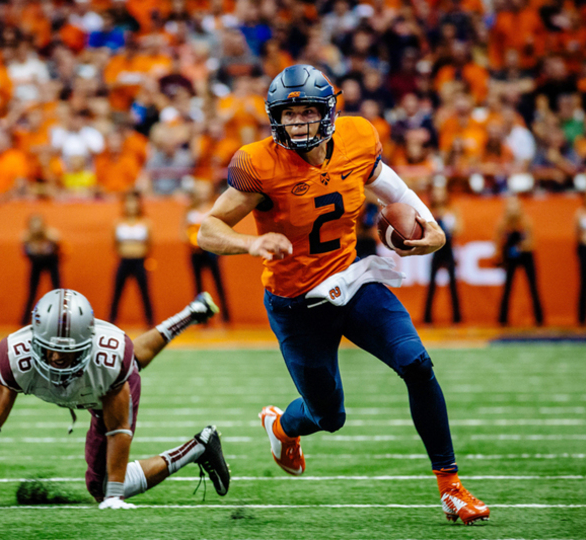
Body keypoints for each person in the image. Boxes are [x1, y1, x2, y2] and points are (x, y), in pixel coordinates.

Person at [197, 65, 489, 525]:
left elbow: (395, 190)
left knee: (417, 363)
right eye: (288, 115)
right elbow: (207, 229)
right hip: (297, 305)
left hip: (352, 281)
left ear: (328, 113)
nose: (297, 123)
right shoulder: (260, 162)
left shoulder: (356, 139)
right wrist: (250, 243)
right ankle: (281, 425)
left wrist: (431, 227)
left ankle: (450, 487)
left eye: (306, 113)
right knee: (328, 415)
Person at [0, 288, 229, 511]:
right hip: (100, 372)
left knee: (98, 487)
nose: (58, 359)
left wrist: (113, 495)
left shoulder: (109, 358)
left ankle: (198, 447)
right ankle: (192, 312)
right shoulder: (15, 356)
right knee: (136, 356)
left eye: (69, 352)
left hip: (105, 392)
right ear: (36, 340)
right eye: (51, 349)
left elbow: (119, 429)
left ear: (87, 344)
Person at [181, 180, 230, 322]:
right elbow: (183, 230)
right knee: (198, 286)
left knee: (218, 284)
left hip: (211, 251)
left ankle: (225, 317)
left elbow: (220, 229)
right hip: (196, 252)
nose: (202, 194)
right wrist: (193, 241)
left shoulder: (214, 208)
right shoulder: (190, 211)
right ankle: (202, 318)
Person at [496, 195, 544, 326]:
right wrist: (501, 256)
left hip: (526, 256)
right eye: (510, 206)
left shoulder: (526, 221)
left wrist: (519, 247)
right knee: (507, 289)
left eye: (515, 205)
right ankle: (502, 319)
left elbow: (532, 242)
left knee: (533, 287)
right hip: (510, 258)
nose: (512, 209)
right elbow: (498, 242)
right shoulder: (502, 223)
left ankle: (539, 319)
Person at [109, 191, 154, 326]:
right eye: (128, 202)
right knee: (117, 293)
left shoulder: (146, 222)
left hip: (140, 261)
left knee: (145, 293)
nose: (131, 206)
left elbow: (150, 244)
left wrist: (139, 253)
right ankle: (111, 321)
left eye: (134, 202)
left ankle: (150, 322)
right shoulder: (118, 223)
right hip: (124, 261)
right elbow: (114, 244)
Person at [423, 184, 462, 324]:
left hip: (448, 248)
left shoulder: (452, 210)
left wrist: (445, 220)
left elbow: (459, 228)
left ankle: (457, 318)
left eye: (441, 192)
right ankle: (427, 318)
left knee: (453, 284)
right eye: (436, 192)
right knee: (432, 285)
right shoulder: (429, 211)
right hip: (435, 250)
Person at [21, 214, 62, 326]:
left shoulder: (51, 234)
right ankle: (24, 321)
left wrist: (51, 241)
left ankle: (61, 318)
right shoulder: (26, 237)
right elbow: (25, 253)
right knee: (32, 292)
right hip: (36, 264)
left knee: (57, 291)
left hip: (51, 262)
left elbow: (61, 250)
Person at [576, 189, 586, 326]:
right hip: (584, 249)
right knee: (583, 284)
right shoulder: (579, 212)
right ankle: (581, 318)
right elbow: (577, 233)